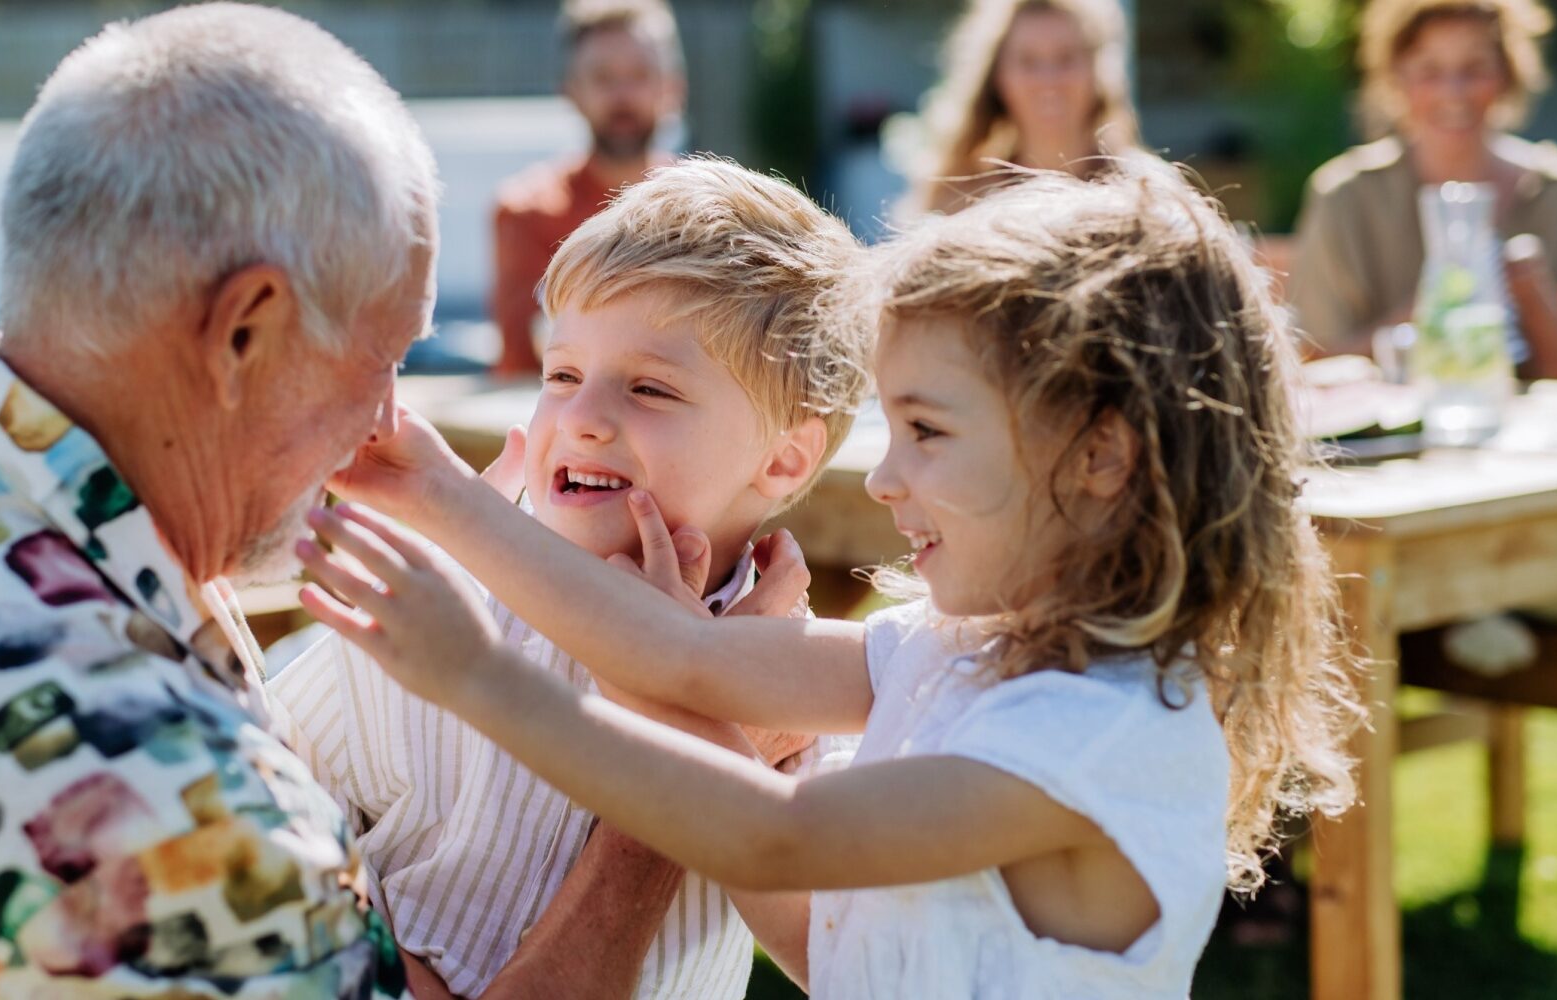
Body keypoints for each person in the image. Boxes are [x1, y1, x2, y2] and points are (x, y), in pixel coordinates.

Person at [0, 6, 675, 997]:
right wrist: (665, 796)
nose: (387, 416)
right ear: (245, 332)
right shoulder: (177, 807)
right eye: (384, 357)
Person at [297, 165, 1364, 997]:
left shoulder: (1097, 735)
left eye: (927, 431)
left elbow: (774, 837)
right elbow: (688, 665)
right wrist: (444, 499)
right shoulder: (950, 655)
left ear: (1100, 456)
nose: (887, 477)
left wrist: (479, 674)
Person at [271, 158, 869, 998]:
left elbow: (850, 962)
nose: (582, 420)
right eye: (562, 375)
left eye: (650, 388)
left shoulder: (796, 692)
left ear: (784, 457)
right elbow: (261, 830)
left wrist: (716, 739)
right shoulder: (436, 612)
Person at [1290, 0, 1557, 377]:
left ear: (1507, 75)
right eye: (1429, 70)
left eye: (1474, 69)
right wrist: (1420, 315)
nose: (1453, 92)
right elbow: (1311, 363)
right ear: (1398, 78)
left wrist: (1531, 297)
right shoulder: (1345, 195)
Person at [489, 0, 684, 376]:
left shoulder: (707, 215)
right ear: (571, 91)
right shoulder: (526, 212)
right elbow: (527, 364)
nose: (623, 96)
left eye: (640, 74)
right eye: (603, 78)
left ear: (673, 88)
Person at [899, 0, 1145, 216]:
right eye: (1028, 61)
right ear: (998, 76)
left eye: (1066, 58)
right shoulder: (958, 205)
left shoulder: (1143, 194)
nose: (1048, 80)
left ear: (1096, 70)